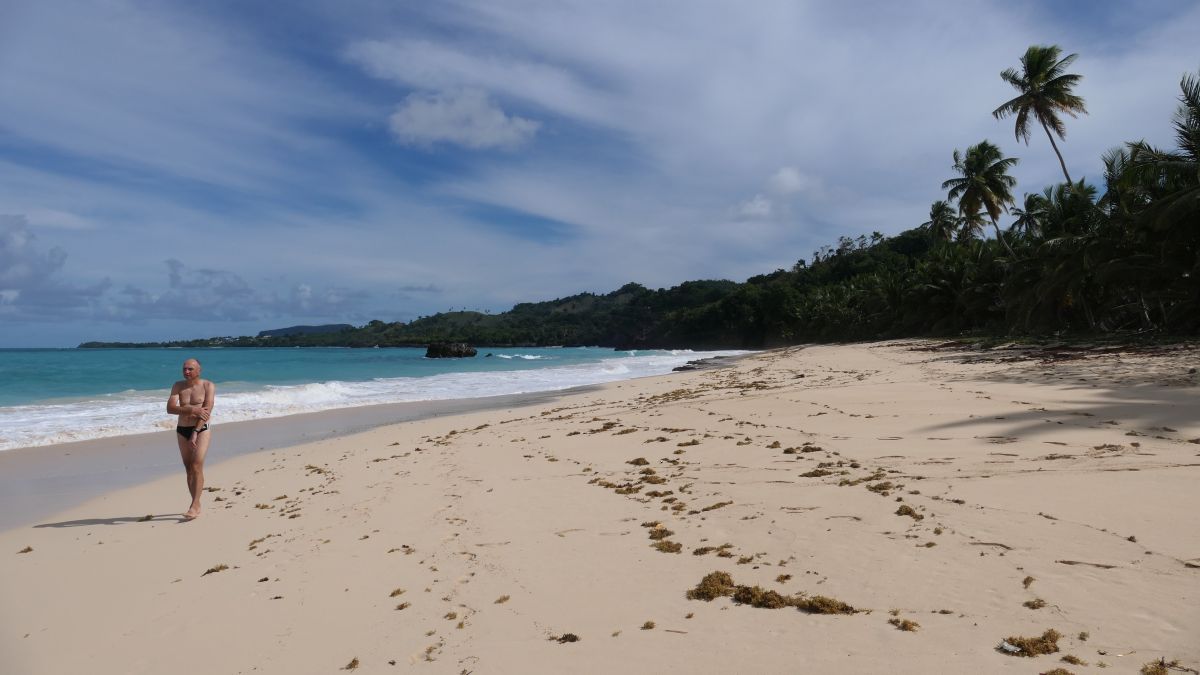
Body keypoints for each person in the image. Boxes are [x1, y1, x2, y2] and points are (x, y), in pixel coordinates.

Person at [167, 358, 215, 520]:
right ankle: (196, 503)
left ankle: (194, 505)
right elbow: (170, 408)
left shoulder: (208, 386)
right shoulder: (178, 386)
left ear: (198, 370)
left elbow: (206, 411)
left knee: (196, 465)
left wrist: (195, 431)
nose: (186, 371)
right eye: (184, 369)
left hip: (201, 430)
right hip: (182, 430)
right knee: (188, 468)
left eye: (190, 369)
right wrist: (193, 410)